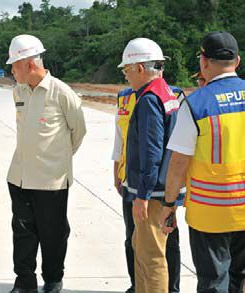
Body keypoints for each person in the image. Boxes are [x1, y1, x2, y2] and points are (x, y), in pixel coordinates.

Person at [160, 31, 245, 293]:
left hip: (210, 212)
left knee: (212, 281)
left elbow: (178, 163)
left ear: (204, 62)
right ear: (237, 61)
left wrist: (169, 204)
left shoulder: (196, 104)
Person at [5, 34, 86, 293]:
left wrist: (57, 159)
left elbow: (78, 131)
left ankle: (53, 279)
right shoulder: (18, 91)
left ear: (29, 64)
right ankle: (25, 281)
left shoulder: (61, 93)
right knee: (22, 233)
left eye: (14, 66)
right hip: (19, 176)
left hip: (51, 180)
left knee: (53, 234)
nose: (11, 70)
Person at [118, 37, 184, 293]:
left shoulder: (148, 99)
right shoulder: (166, 92)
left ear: (140, 68)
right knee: (141, 249)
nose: (126, 77)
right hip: (162, 188)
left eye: (127, 70)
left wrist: (142, 195)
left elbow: (151, 150)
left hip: (152, 193)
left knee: (152, 258)